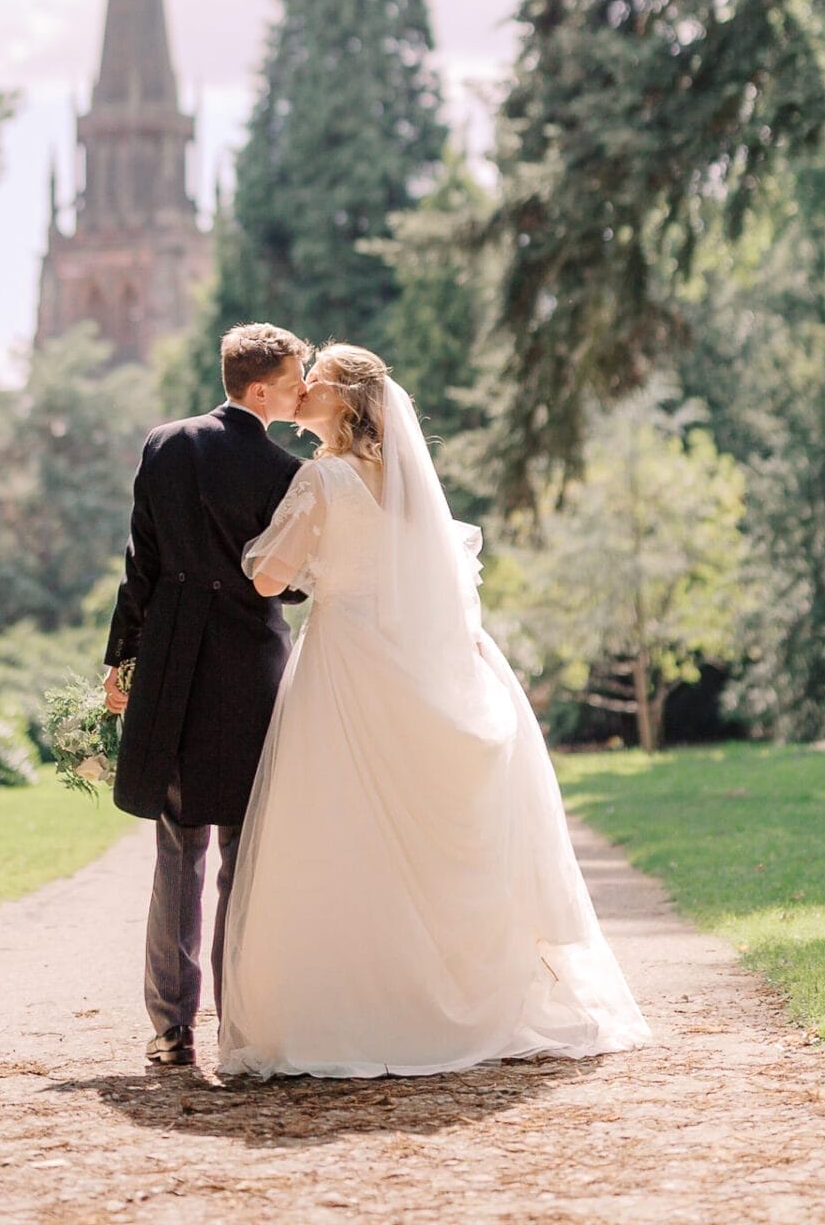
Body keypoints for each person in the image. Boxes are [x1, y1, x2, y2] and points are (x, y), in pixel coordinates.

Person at [218, 343, 651, 1079]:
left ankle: (355, 1010)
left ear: (344, 401)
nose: (300, 390)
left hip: (347, 669)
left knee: (340, 826)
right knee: (413, 837)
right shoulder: (407, 486)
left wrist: (252, 549)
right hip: (411, 664)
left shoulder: (321, 478)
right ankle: (437, 999)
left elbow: (268, 580)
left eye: (312, 382)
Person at [102, 322, 309, 1068]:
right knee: (240, 859)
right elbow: (289, 583)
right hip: (249, 671)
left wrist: (120, 661)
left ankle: (169, 1029)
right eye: (294, 381)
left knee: (175, 854)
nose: (302, 392)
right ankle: (237, 1022)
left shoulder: (165, 445)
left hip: (171, 665)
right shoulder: (286, 471)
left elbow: (141, 565)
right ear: (260, 389)